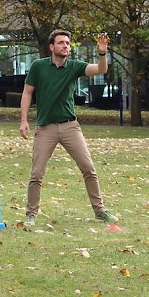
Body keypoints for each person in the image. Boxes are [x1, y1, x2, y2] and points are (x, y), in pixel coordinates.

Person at [19, 29, 117, 226]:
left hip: (70, 126)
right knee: (36, 174)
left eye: (67, 43)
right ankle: (31, 215)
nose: (65, 46)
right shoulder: (39, 66)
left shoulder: (74, 67)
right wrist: (23, 120)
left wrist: (102, 52)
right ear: (52, 47)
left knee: (89, 168)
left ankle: (100, 211)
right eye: (61, 43)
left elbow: (100, 70)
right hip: (45, 128)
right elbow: (27, 93)